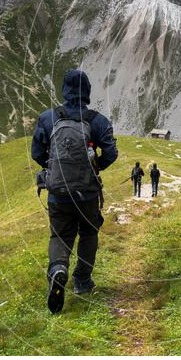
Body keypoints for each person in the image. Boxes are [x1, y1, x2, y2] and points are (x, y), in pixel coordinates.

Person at [32, 69, 118, 314]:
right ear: (87, 91)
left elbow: (37, 153)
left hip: (58, 193)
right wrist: (95, 168)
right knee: (89, 234)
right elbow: (111, 154)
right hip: (87, 194)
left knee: (60, 236)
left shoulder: (48, 118)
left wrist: (54, 169)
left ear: (65, 90)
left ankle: (58, 269)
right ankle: (82, 281)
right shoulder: (98, 121)